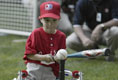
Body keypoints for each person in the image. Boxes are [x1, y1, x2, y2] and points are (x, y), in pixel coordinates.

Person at [17, 1, 66, 80]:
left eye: (54, 20)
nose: (50, 24)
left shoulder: (61, 36)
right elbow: (29, 55)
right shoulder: (36, 33)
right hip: (34, 68)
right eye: (47, 20)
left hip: (51, 71)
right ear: (41, 19)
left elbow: (62, 58)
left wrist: (58, 58)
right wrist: (43, 57)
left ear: (59, 19)